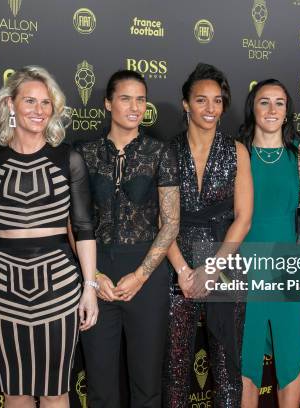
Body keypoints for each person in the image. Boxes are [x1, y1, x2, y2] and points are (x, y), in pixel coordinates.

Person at [0, 66, 98, 408]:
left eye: (46, 102)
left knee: (56, 390)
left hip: (59, 287)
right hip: (2, 289)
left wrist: (90, 288)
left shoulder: (68, 158)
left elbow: (83, 228)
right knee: (15, 391)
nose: (39, 110)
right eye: (30, 101)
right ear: (10, 104)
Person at [76, 70, 180, 408]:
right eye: (125, 98)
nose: (134, 106)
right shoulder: (84, 153)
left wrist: (141, 275)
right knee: (100, 384)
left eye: (140, 99)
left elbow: (170, 223)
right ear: (108, 103)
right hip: (98, 269)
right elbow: (74, 222)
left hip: (146, 273)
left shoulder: (160, 152)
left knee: (147, 384)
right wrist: (93, 277)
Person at [238, 79, 300, 408]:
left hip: (287, 266)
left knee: (291, 361)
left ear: (287, 110)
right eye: (264, 101)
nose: (272, 109)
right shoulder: (236, 151)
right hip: (242, 266)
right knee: (245, 362)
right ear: (252, 106)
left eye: (279, 102)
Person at [162, 63, 253, 407]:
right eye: (201, 100)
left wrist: (213, 268)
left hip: (226, 264)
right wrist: (185, 272)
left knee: (228, 369)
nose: (210, 109)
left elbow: (243, 219)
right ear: (186, 104)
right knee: (175, 368)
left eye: (217, 101)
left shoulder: (237, 151)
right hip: (175, 266)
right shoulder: (167, 152)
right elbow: (163, 220)